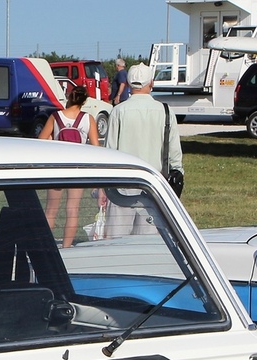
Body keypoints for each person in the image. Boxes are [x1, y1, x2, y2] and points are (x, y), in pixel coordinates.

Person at [103, 62, 183, 236]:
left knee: (116, 243)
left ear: (130, 84)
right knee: (147, 244)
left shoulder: (118, 111)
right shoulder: (166, 111)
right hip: (153, 184)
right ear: (151, 83)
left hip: (121, 185)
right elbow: (174, 154)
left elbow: (109, 150)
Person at [38, 87, 100, 247]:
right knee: (72, 209)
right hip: (77, 170)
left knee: (51, 210)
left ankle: (45, 245)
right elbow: (95, 147)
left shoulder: (55, 116)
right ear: (84, 101)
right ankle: (66, 246)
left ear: (69, 97)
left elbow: (40, 141)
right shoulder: (88, 119)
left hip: (57, 168)